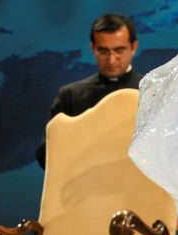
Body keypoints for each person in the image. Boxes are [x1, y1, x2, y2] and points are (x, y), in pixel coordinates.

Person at [35, 13, 141, 169]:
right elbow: (46, 157)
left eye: (119, 51)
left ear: (133, 47)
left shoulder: (152, 93)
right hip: (85, 191)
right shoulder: (70, 96)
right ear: (93, 49)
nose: (111, 60)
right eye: (104, 51)